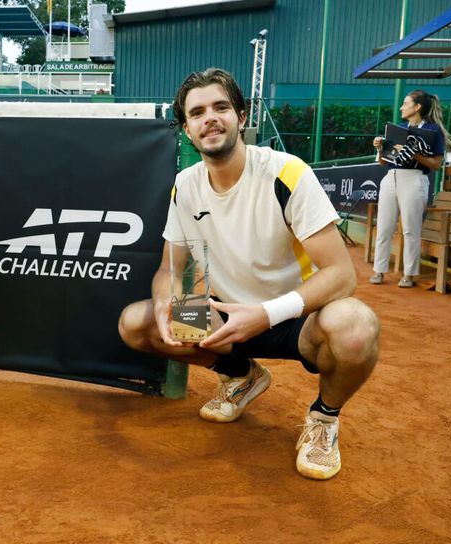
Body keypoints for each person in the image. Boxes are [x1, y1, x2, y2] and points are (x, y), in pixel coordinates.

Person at [117, 68, 380, 480]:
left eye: (221, 107)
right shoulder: (184, 187)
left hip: (302, 319)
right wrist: (167, 299)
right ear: (187, 129)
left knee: (356, 325)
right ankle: (242, 377)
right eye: (198, 112)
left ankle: (324, 418)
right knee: (140, 322)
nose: (210, 118)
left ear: (241, 115)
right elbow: (170, 269)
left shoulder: (287, 174)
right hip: (228, 320)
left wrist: (268, 313)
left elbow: (342, 275)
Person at [370, 90, 450, 288]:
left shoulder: (433, 130)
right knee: (384, 227)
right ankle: (378, 271)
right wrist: (380, 148)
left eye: (405, 103)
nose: (401, 107)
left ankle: (409, 274)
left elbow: (436, 163)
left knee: (410, 230)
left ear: (417, 107)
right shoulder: (398, 129)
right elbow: (382, 162)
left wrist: (412, 153)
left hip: (414, 179)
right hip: (391, 177)